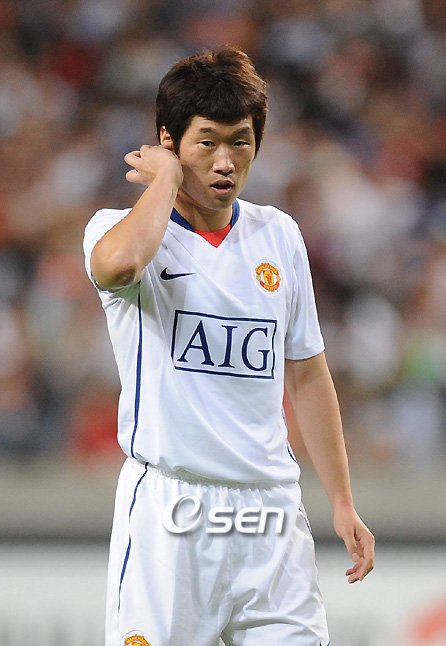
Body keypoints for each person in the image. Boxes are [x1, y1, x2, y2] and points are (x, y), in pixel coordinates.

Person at [83, 46, 374, 646]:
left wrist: (342, 500)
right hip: (170, 513)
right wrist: (166, 180)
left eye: (240, 142)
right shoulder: (118, 229)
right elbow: (118, 266)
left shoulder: (279, 235)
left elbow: (308, 374)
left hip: (270, 516)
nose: (225, 162)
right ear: (169, 142)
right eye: (207, 142)